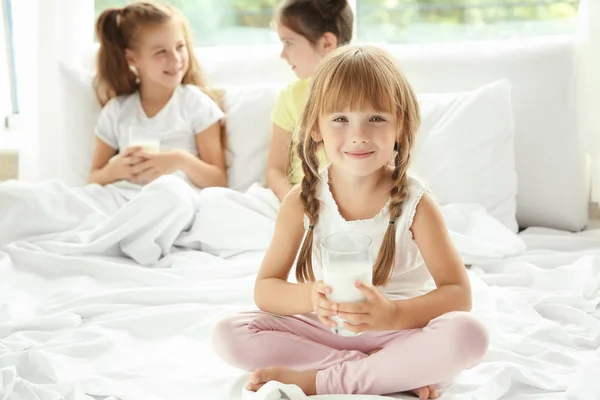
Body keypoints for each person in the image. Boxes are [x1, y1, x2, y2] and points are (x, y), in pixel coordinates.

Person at [212, 45, 489, 399]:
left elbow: (458, 294)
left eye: (376, 118)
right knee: (230, 332)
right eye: (340, 119)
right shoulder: (301, 202)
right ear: (315, 128)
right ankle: (384, 371)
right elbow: (266, 289)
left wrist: (391, 315)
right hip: (326, 328)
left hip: (399, 330)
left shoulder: (417, 205)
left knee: (467, 335)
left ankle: (321, 380)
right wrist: (312, 298)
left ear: (400, 127)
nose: (358, 134)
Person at [89, 1, 227, 189]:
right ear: (132, 58)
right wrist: (113, 170)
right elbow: (93, 178)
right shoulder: (117, 111)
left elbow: (218, 180)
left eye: (180, 47)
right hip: (122, 198)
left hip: (173, 198)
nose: (175, 59)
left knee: (168, 192)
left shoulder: (196, 105)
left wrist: (180, 160)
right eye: (161, 52)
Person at [267, 0, 353, 201]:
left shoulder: (368, 95)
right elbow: (275, 169)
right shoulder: (290, 98)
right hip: (299, 199)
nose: (283, 54)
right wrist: (296, 202)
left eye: (289, 42)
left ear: (326, 43)